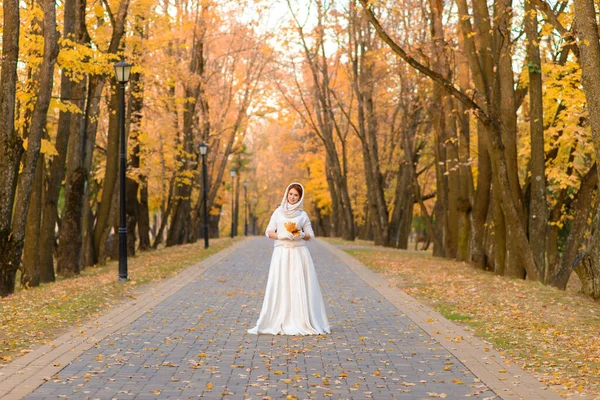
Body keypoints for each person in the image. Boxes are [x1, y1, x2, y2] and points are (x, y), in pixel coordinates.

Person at [248, 182, 330, 336]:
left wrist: (300, 234)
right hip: (281, 254)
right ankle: (279, 318)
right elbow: (269, 231)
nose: (292, 197)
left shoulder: (302, 215)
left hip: (299, 254)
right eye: (291, 194)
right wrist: (281, 235)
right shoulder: (278, 212)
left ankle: (300, 319)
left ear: (300, 198)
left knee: (297, 284)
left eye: (296, 195)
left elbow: (310, 235)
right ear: (287, 194)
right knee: (282, 284)